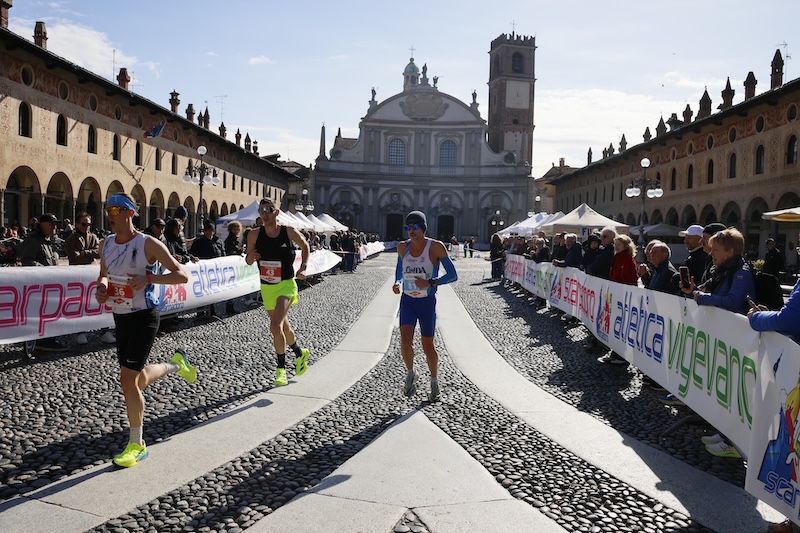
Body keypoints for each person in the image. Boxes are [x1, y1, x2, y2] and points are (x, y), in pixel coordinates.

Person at [95, 193, 196, 468]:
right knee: (135, 380)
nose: (110, 214)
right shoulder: (106, 243)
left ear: (130, 212)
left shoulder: (148, 243)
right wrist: (101, 289)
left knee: (127, 380)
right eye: (108, 210)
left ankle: (137, 444)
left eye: (115, 209)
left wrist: (149, 278)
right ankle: (176, 365)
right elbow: (103, 274)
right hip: (121, 316)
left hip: (144, 316)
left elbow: (181, 275)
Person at [245, 198, 311, 387]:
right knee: (283, 328)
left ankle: (281, 370)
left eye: (268, 210)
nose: (264, 214)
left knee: (275, 326)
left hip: (286, 285)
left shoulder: (288, 231)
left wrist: (304, 267)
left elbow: (305, 246)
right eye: (261, 211)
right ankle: (300, 353)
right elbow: (248, 260)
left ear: (276, 212)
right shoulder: (253, 235)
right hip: (267, 287)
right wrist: (251, 256)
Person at [393, 210, 458, 401]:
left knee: (428, 346)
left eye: (414, 227)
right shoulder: (402, 247)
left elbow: (453, 275)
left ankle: (434, 381)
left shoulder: (435, 247)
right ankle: (411, 373)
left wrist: (431, 282)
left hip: (427, 302)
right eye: (408, 227)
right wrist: (397, 282)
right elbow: (399, 269)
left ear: (423, 228)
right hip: (407, 301)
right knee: (405, 341)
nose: (411, 231)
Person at [66, 212, 116, 345]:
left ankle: (105, 331)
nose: (87, 227)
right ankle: (81, 332)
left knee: (99, 302)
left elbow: (99, 253)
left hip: (93, 273)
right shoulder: (71, 239)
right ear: (76, 224)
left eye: (88, 224)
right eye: (84, 224)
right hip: (78, 275)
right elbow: (74, 257)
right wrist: (90, 253)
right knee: (81, 303)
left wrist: (84, 252)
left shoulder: (93, 236)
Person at [599, 234, 639, 364]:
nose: (616, 247)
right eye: (615, 245)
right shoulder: (617, 257)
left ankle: (622, 355)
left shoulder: (627, 259)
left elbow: (631, 279)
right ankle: (615, 352)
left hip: (623, 296)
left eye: (618, 245)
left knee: (623, 325)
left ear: (626, 246)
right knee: (615, 324)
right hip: (616, 295)